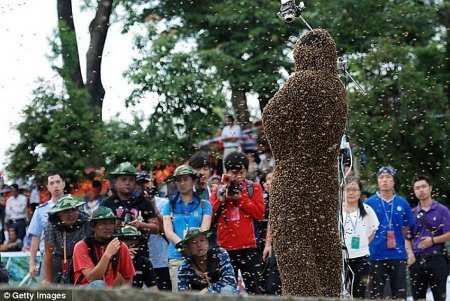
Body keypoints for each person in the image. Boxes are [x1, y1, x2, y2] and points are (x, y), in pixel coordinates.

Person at [210, 151, 265, 295]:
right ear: (226, 172)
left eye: (241, 172)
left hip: (250, 248)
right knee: (228, 291)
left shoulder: (254, 188)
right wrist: (221, 200)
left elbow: (260, 214)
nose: (237, 176)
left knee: (255, 291)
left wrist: (240, 199)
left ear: (246, 171)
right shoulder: (217, 190)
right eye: (233, 173)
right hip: (226, 248)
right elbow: (210, 218)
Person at [101, 162, 161, 287]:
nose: (128, 183)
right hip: (114, 254)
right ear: (115, 182)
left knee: (138, 291)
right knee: (114, 291)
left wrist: (141, 225)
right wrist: (113, 226)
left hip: (140, 255)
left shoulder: (144, 203)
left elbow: (156, 228)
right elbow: (97, 230)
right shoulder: (107, 204)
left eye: (131, 180)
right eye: (123, 179)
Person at [365, 166, 415, 299]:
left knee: (400, 295)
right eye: (381, 178)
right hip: (375, 255)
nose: (384, 180)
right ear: (377, 181)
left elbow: (406, 229)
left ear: (393, 181)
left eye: (388, 177)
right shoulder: (369, 203)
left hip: (398, 256)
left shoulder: (402, 202)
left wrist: (409, 251)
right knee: (376, 295)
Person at [161, 165, 212, 292]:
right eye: (178, 180)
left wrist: (193, 249)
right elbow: (168, 232)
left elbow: (204, 229)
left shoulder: (205, 204)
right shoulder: (168, 205)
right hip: (176, 257)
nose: (182, 183)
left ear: (193, 181)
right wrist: (184, 247)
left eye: (185, 179)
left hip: (200, 257)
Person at [409, 175, 450, 301]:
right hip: (416, 261)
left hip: (437, 259)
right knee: (418, 298)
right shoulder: (412, 213)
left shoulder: (442, 210)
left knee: (439, 297)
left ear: (430, 188)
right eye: (417, 188)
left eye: (423, 186)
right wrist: (410, 254)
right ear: (414, 191)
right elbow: (407, 237)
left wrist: (432, 241)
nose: (421, 190)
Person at [73, 207, 135, 288]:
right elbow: (92, 278)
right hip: (83, 293)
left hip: (107, 293)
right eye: (103, 223)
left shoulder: (120, 246)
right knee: (98, 284)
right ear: (93, 226)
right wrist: (107, 254)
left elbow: (128, 277)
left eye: (111, 223)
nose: (108, 227)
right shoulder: (82, 246)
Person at [342, 177, 379, 298]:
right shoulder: (337, 211)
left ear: (360, 193)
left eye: (354, 189)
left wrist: (362, 245)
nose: (351, 192)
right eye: (348, 190)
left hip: (362, 259)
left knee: (360, 292)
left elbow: (373, 231)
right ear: (342, 191)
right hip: (341, 259)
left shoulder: (367, 210)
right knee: (341, 292)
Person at [43, 195, 91, 284]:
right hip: (57, 259)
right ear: (58, 213)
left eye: (74, 210)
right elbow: (48, 253)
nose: (71, 214)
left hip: (82, 259)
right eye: (66, 211)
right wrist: (48, 281)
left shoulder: (87, 222)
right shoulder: (51, 225)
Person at [177, 228, 237, 294]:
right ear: (188, 248)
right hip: (199, 298)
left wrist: (207, 291)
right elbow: (183, 292)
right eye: (194, 242)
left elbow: (230, 280)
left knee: (227, 290)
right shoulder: (185, 267)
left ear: (208, 242)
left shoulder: (220, 254)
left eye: (202, 240)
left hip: (222, 294)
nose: (199, 245)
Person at [27, 173, 64, 278]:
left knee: (71, 292)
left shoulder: (75, 207)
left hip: (71, 257)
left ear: (63, 184)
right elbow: (36, 236)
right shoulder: (41, 210)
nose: (55, 185)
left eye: (58, 182)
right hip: (48, 258)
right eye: (52, 183)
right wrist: (32, 263)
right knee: (47, 292)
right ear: (48, 188)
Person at [148, 194, 172, 291]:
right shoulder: (131, 203)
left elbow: (167, 231)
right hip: (141, 261)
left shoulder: (164, 203)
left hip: (163, 261)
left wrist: (154, 210)